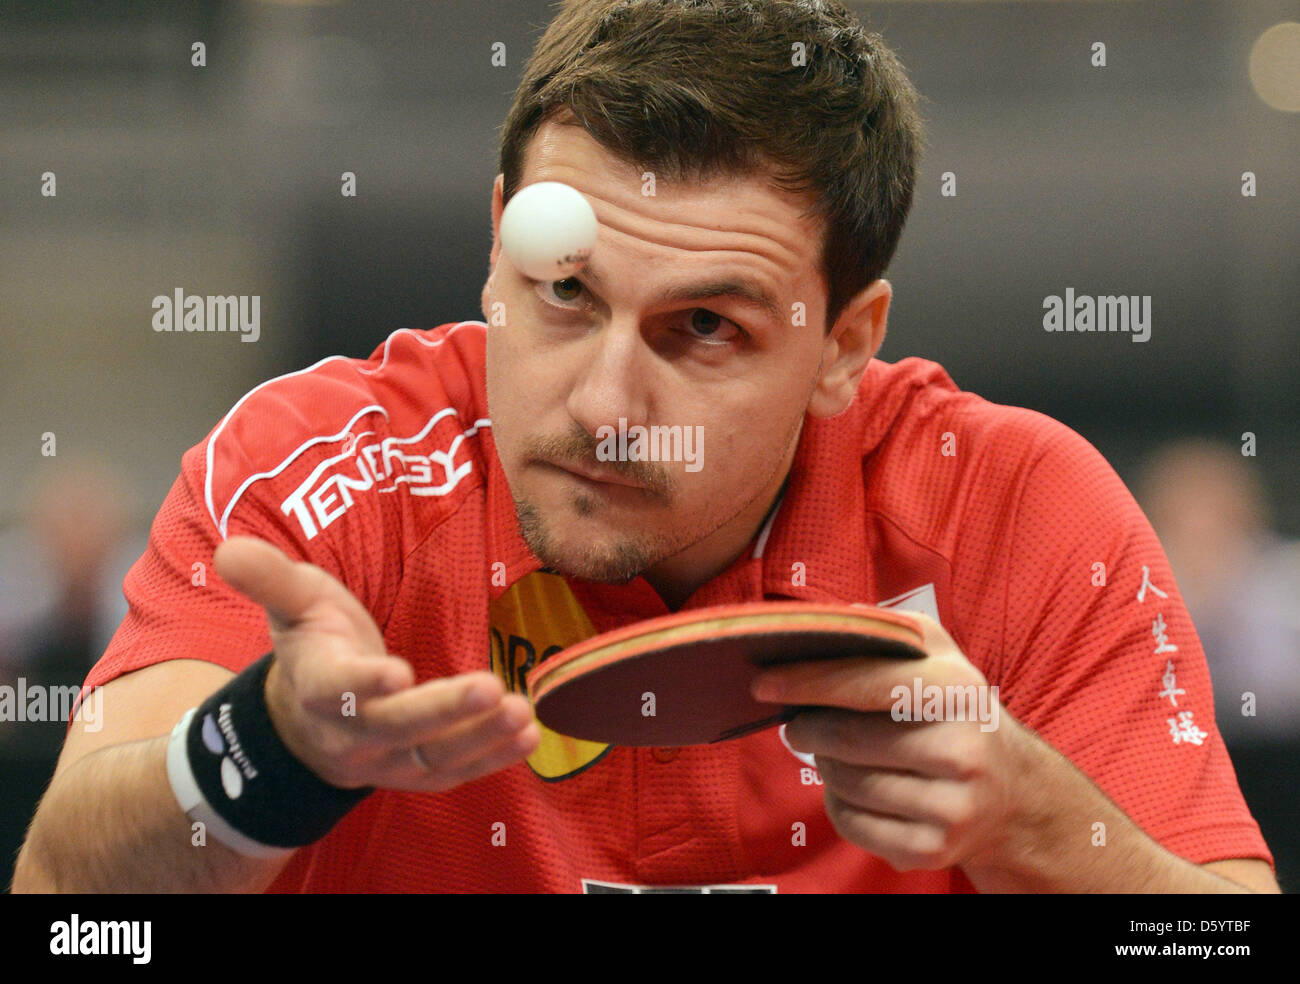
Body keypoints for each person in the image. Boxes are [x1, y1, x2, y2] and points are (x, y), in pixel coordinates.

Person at [13, 0, 1277, 893]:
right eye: (562, 290)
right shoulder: (319, 471)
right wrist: (266, 754)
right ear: (499, 237)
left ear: (845, 341)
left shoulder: (1014, 507)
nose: (605, 400)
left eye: (705, 327)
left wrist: (1041, 826)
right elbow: (70, 916)